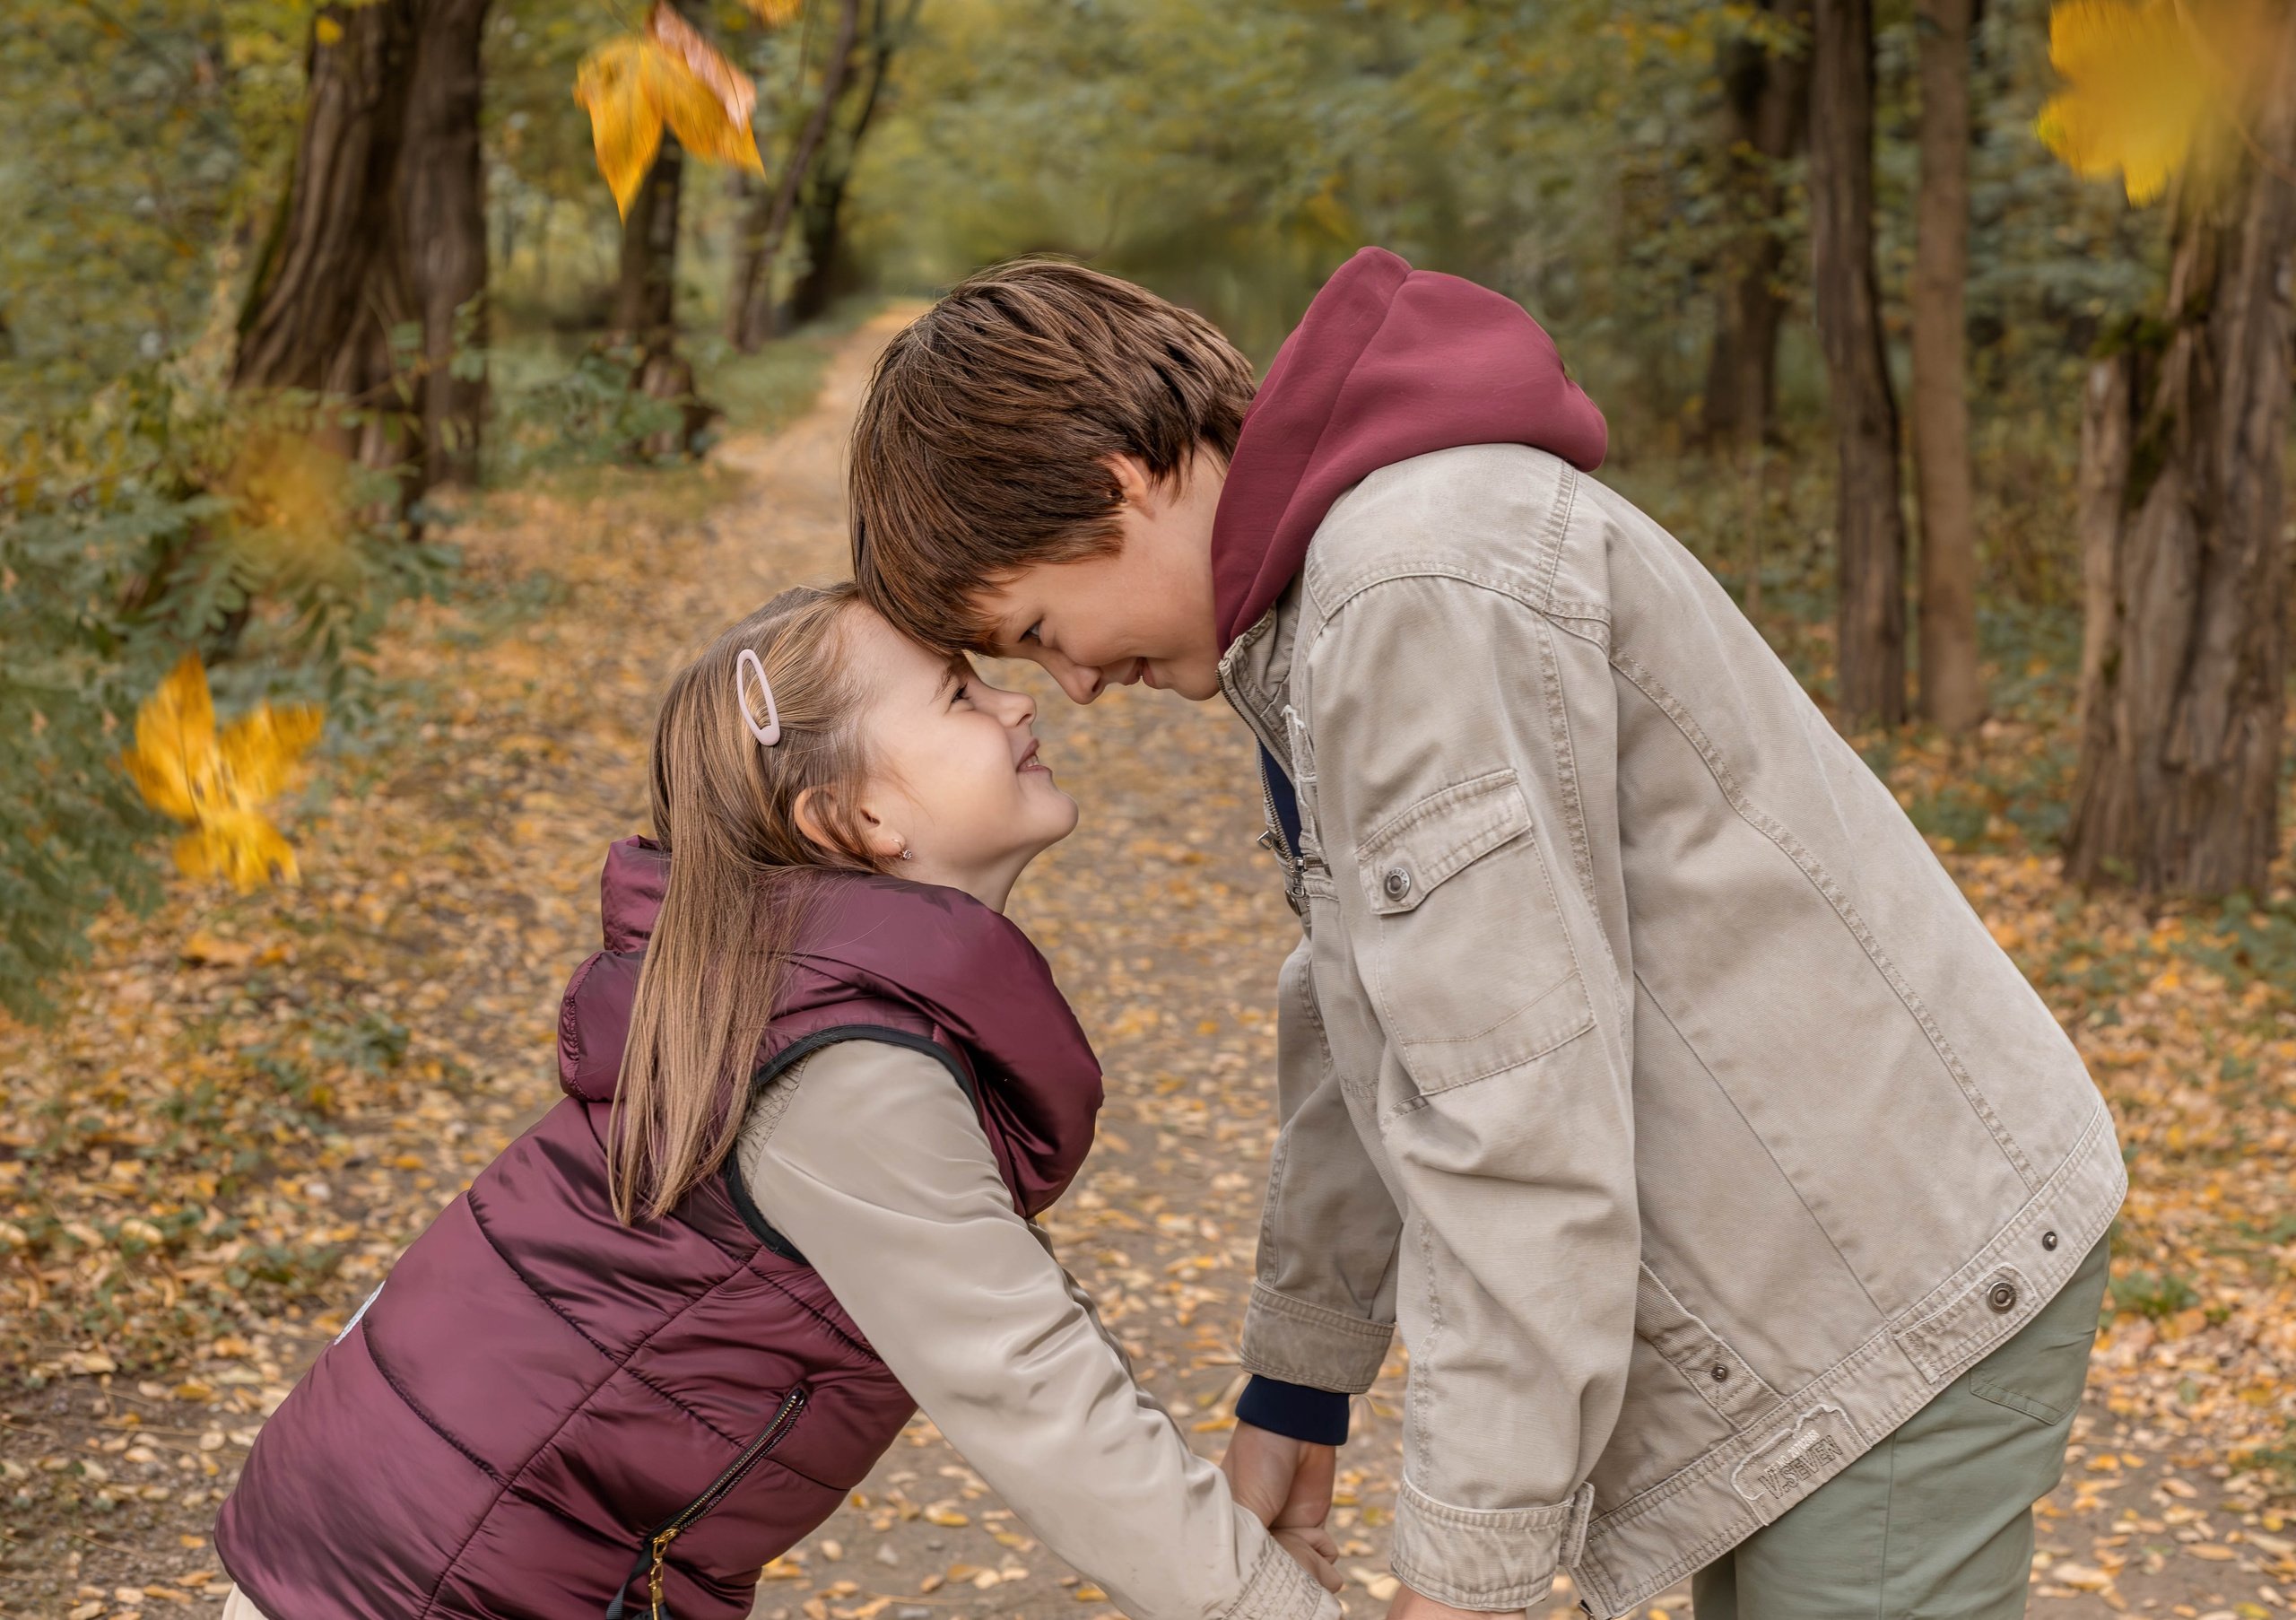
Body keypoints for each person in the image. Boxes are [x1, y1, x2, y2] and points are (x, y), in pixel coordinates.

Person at [847, 253, 2125, 1620]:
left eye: (1041, 628)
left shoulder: (1409, 592)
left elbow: (1510, 1113)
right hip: (1814, 1280)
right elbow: (1374, 1015)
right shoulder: (1328, 602)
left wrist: (1472, 1583)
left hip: (1889, 1284)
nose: (1079, 684)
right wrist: (1304, 1377)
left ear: (1122, 479)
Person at [212, 584, 1346, 1620]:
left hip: (405, 1532)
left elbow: (1011, 1316)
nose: (1014, 702)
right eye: (958, 693)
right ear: (854, 823)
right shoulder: (841, 1076)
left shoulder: (800, 1004)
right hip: (439, 1577)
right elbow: (1035, 1396)